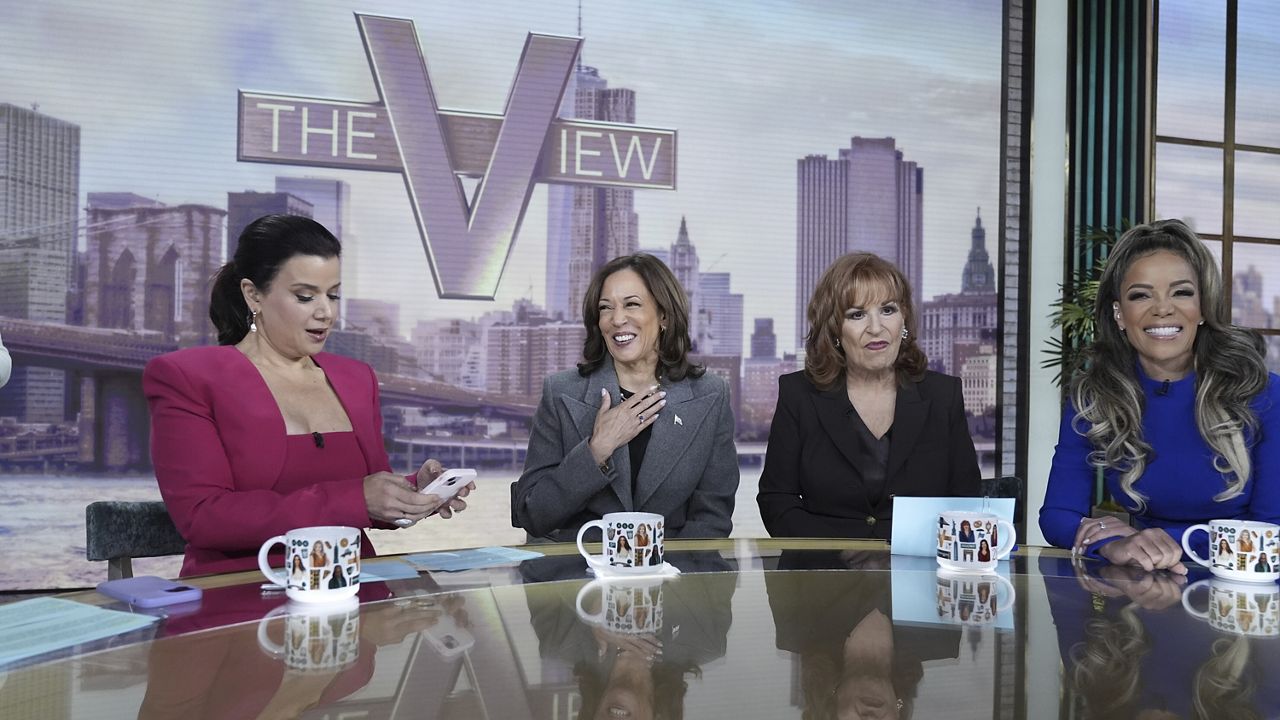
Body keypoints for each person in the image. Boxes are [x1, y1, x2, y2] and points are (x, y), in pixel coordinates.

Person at [144, 215, 472, 577]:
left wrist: (414, 491)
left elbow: (367, 498)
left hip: (354, 588)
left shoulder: (357, 378)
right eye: (305, 296)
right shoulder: (188, 377)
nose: (326, 312)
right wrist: (357, 498)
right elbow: (203, 517)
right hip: (239, 592)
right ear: (253, 295)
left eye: (333, 295)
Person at [1039, 219, 1280, 573]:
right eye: (1141, 294)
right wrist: (1111, 545)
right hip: (1148, 590)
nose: (1162, 308)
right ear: (1119, 313)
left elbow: (1271, 531)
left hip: (1247, 595)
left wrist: (1155, 540)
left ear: (1202, 307)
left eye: (1181, 292)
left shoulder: (1264, 393)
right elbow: (1057, 516)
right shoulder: (1095, 396)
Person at [512, 253, 738, 542]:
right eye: (606, 308)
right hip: (577, 575)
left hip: (671, 577)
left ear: (664, 316)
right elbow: (533, 514)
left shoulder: (711, 394)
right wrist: (597, 450)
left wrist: (673, 580)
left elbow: (712, 520)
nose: (617, 319)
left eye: (632, 304)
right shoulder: (560, 392)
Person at [757, 252, 981, 539]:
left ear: (904, 321)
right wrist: (840, 551)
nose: (876, 328)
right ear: (835, 330)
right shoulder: (798, 394)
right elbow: (777, 501)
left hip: (919, 572)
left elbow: (966, 501)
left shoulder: (943, 395)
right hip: (823, 573)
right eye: (857, 314)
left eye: (887, 310)